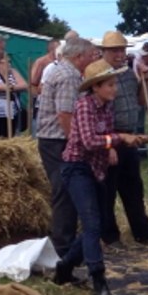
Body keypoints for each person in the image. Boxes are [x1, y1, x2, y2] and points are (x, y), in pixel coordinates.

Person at [52, 59, 148, 295]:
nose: (114, 88)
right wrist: (119, 139)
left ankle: (64, 268)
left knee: (93, 225)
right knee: (93, 224)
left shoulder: (107, 107)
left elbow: (104, 137)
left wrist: (115, 145)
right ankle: (99, 282)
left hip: (96, 168)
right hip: (76, 168)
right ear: (95, 87)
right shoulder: (84, 106)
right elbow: (88, 141)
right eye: (109, 84)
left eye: (114, 83)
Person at [36, 37, 98, 258]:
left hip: (53, 140)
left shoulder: (63, 72)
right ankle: (62, 250)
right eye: (91, 56)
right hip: (57, 141)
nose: (93, 59)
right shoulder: (68, 76)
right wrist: (76, 144)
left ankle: (66, 247)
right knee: (64, 193)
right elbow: (65, 115)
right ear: (78, 56)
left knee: (65, 193)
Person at [97, 31, 148, 247]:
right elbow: (98, 114)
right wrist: (108, 144)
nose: (119, 54)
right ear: (104, 51)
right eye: (114, 50)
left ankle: (143, 233)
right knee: (108, 190)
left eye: (122, 49)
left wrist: (145, 80)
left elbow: (141, 101)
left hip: (129, 136)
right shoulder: (99, 74)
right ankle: (110, 237)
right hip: (111, 136)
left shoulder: (127, 71)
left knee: (133, 188)